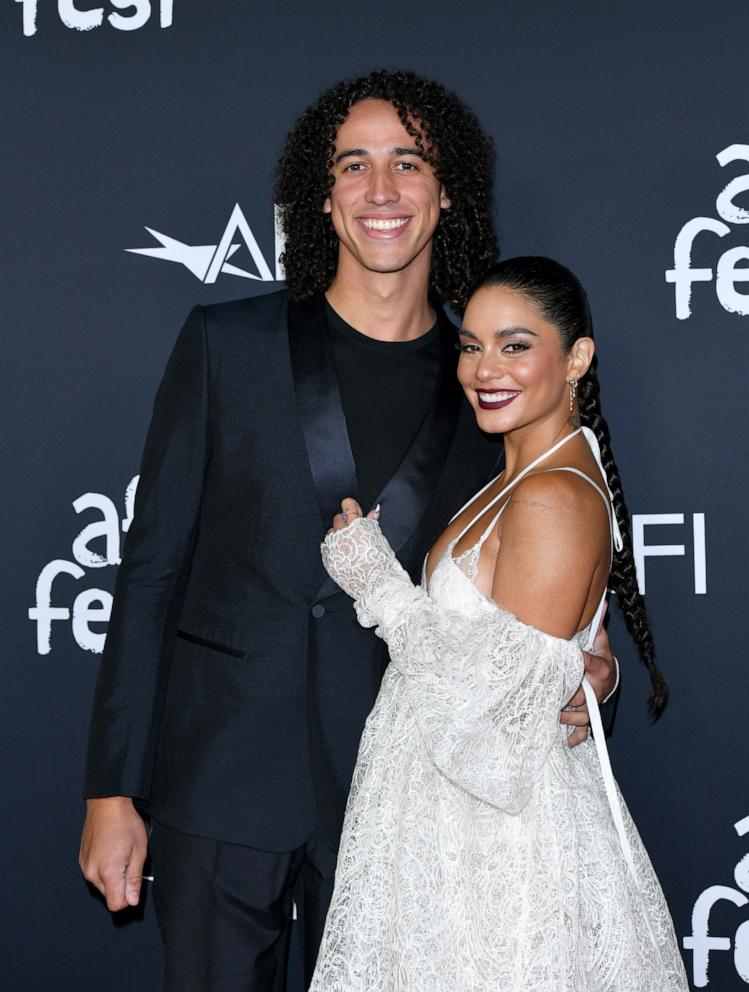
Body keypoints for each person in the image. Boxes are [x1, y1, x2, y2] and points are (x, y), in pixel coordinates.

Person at [78, 70, 616, 991]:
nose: (380, 191)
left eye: (408, 163)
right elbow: (152, 571)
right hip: (220, 781)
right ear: (320, 197)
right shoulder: (225, 343)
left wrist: (585, 666)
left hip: (400, 803)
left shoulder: (489, 388)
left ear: (446, 192)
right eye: (353, 165)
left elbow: (543, 566)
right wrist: (110, 788)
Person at [314, 257, 688, 992]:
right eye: (471, 345)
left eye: (515, 345)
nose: (484, 368)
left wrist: (376, 583)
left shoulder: (552, 495)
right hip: (447, 835)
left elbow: (495, 729)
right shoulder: (517, 477)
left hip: (495, 851)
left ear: (575, 357)